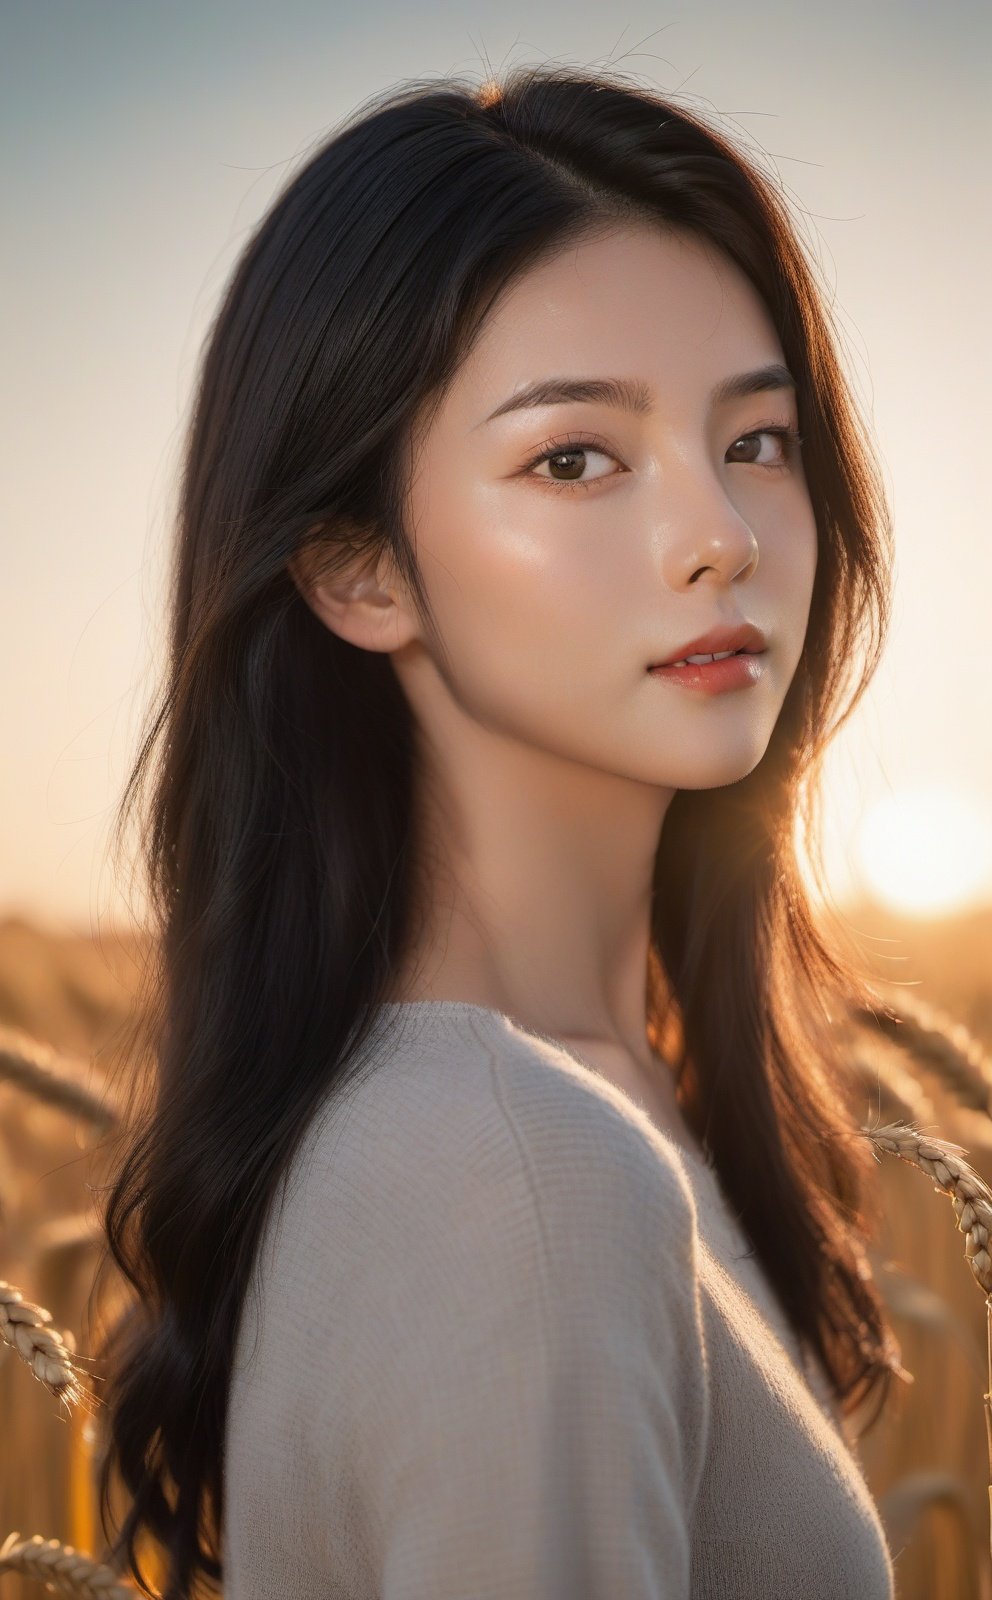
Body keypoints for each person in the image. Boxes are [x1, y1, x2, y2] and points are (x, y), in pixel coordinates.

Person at [93, 62, 908, 1599]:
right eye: (575, 459)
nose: (721, 535)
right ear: (356, 570)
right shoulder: (517, 1172)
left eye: (758, 441)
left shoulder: (594, 1107)